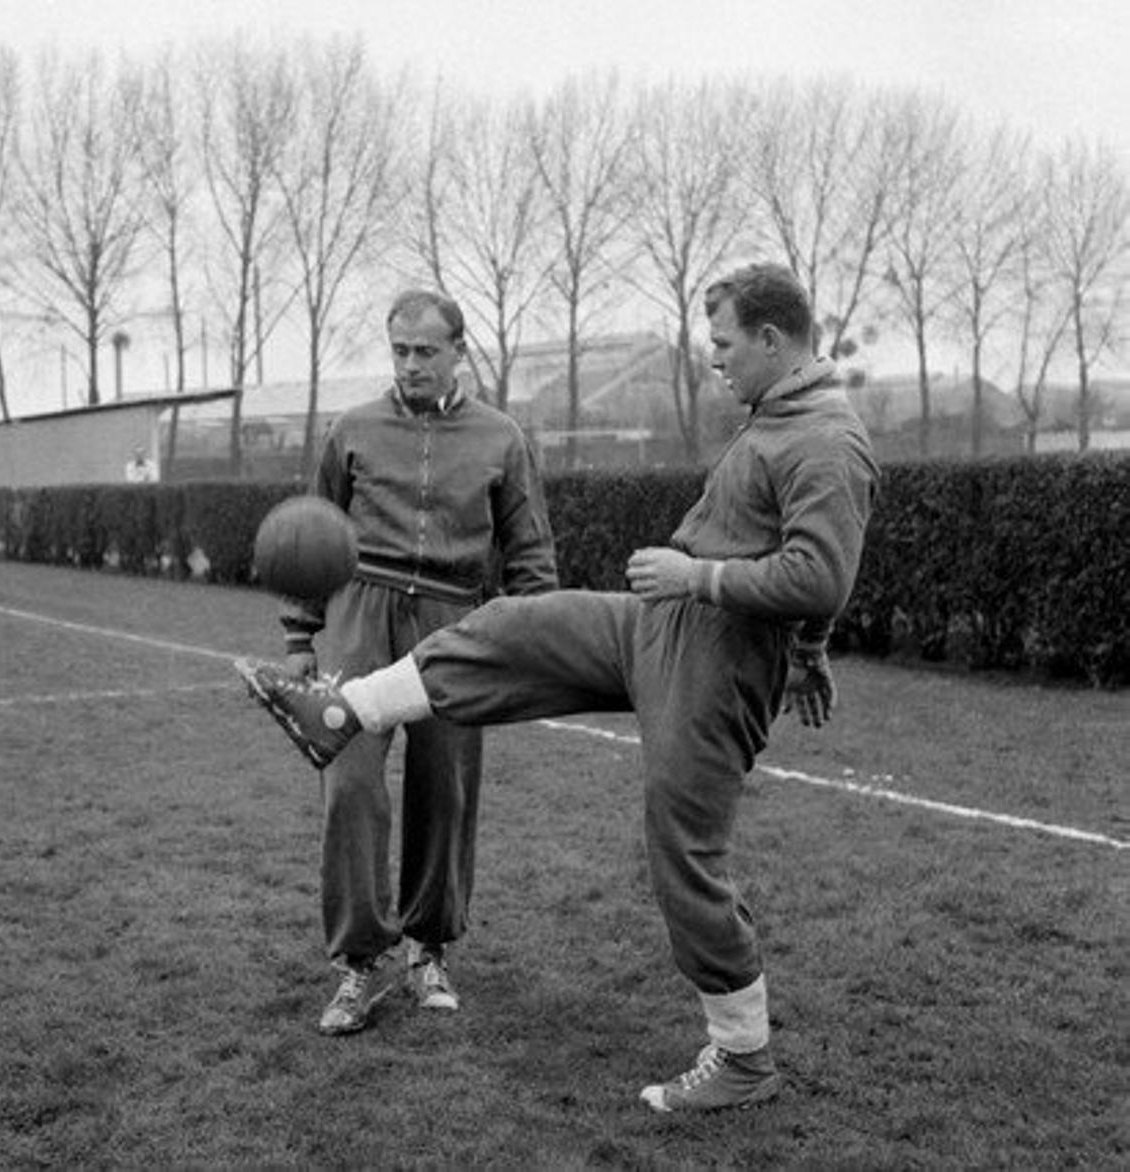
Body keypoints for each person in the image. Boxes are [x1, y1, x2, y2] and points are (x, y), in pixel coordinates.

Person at [236, 262, 879, 1110]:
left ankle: (743, 1058)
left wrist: (701, 577)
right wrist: (809, 650)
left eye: (723, 344)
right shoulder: (776, 413)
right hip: (658, 627)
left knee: (682, 857)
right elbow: (805, 565)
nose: (714, 360)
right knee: (513, 625)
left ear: (771, 339)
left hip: (713, 662)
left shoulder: (826, 439)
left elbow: (820, 574)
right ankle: (341, 710)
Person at [275, 289, 557, 1036]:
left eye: (424, 351)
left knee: (446, 788)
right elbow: (316, 531)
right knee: (352, 786)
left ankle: (428, 947)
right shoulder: (353, 430)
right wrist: (302, 636)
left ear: (460, 351)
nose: (409, 364)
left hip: (454, 621)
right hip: (358, 615)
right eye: (398, 349)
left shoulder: (502, 437)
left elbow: (530, 553)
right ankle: (358, 965)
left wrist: (537, 645)